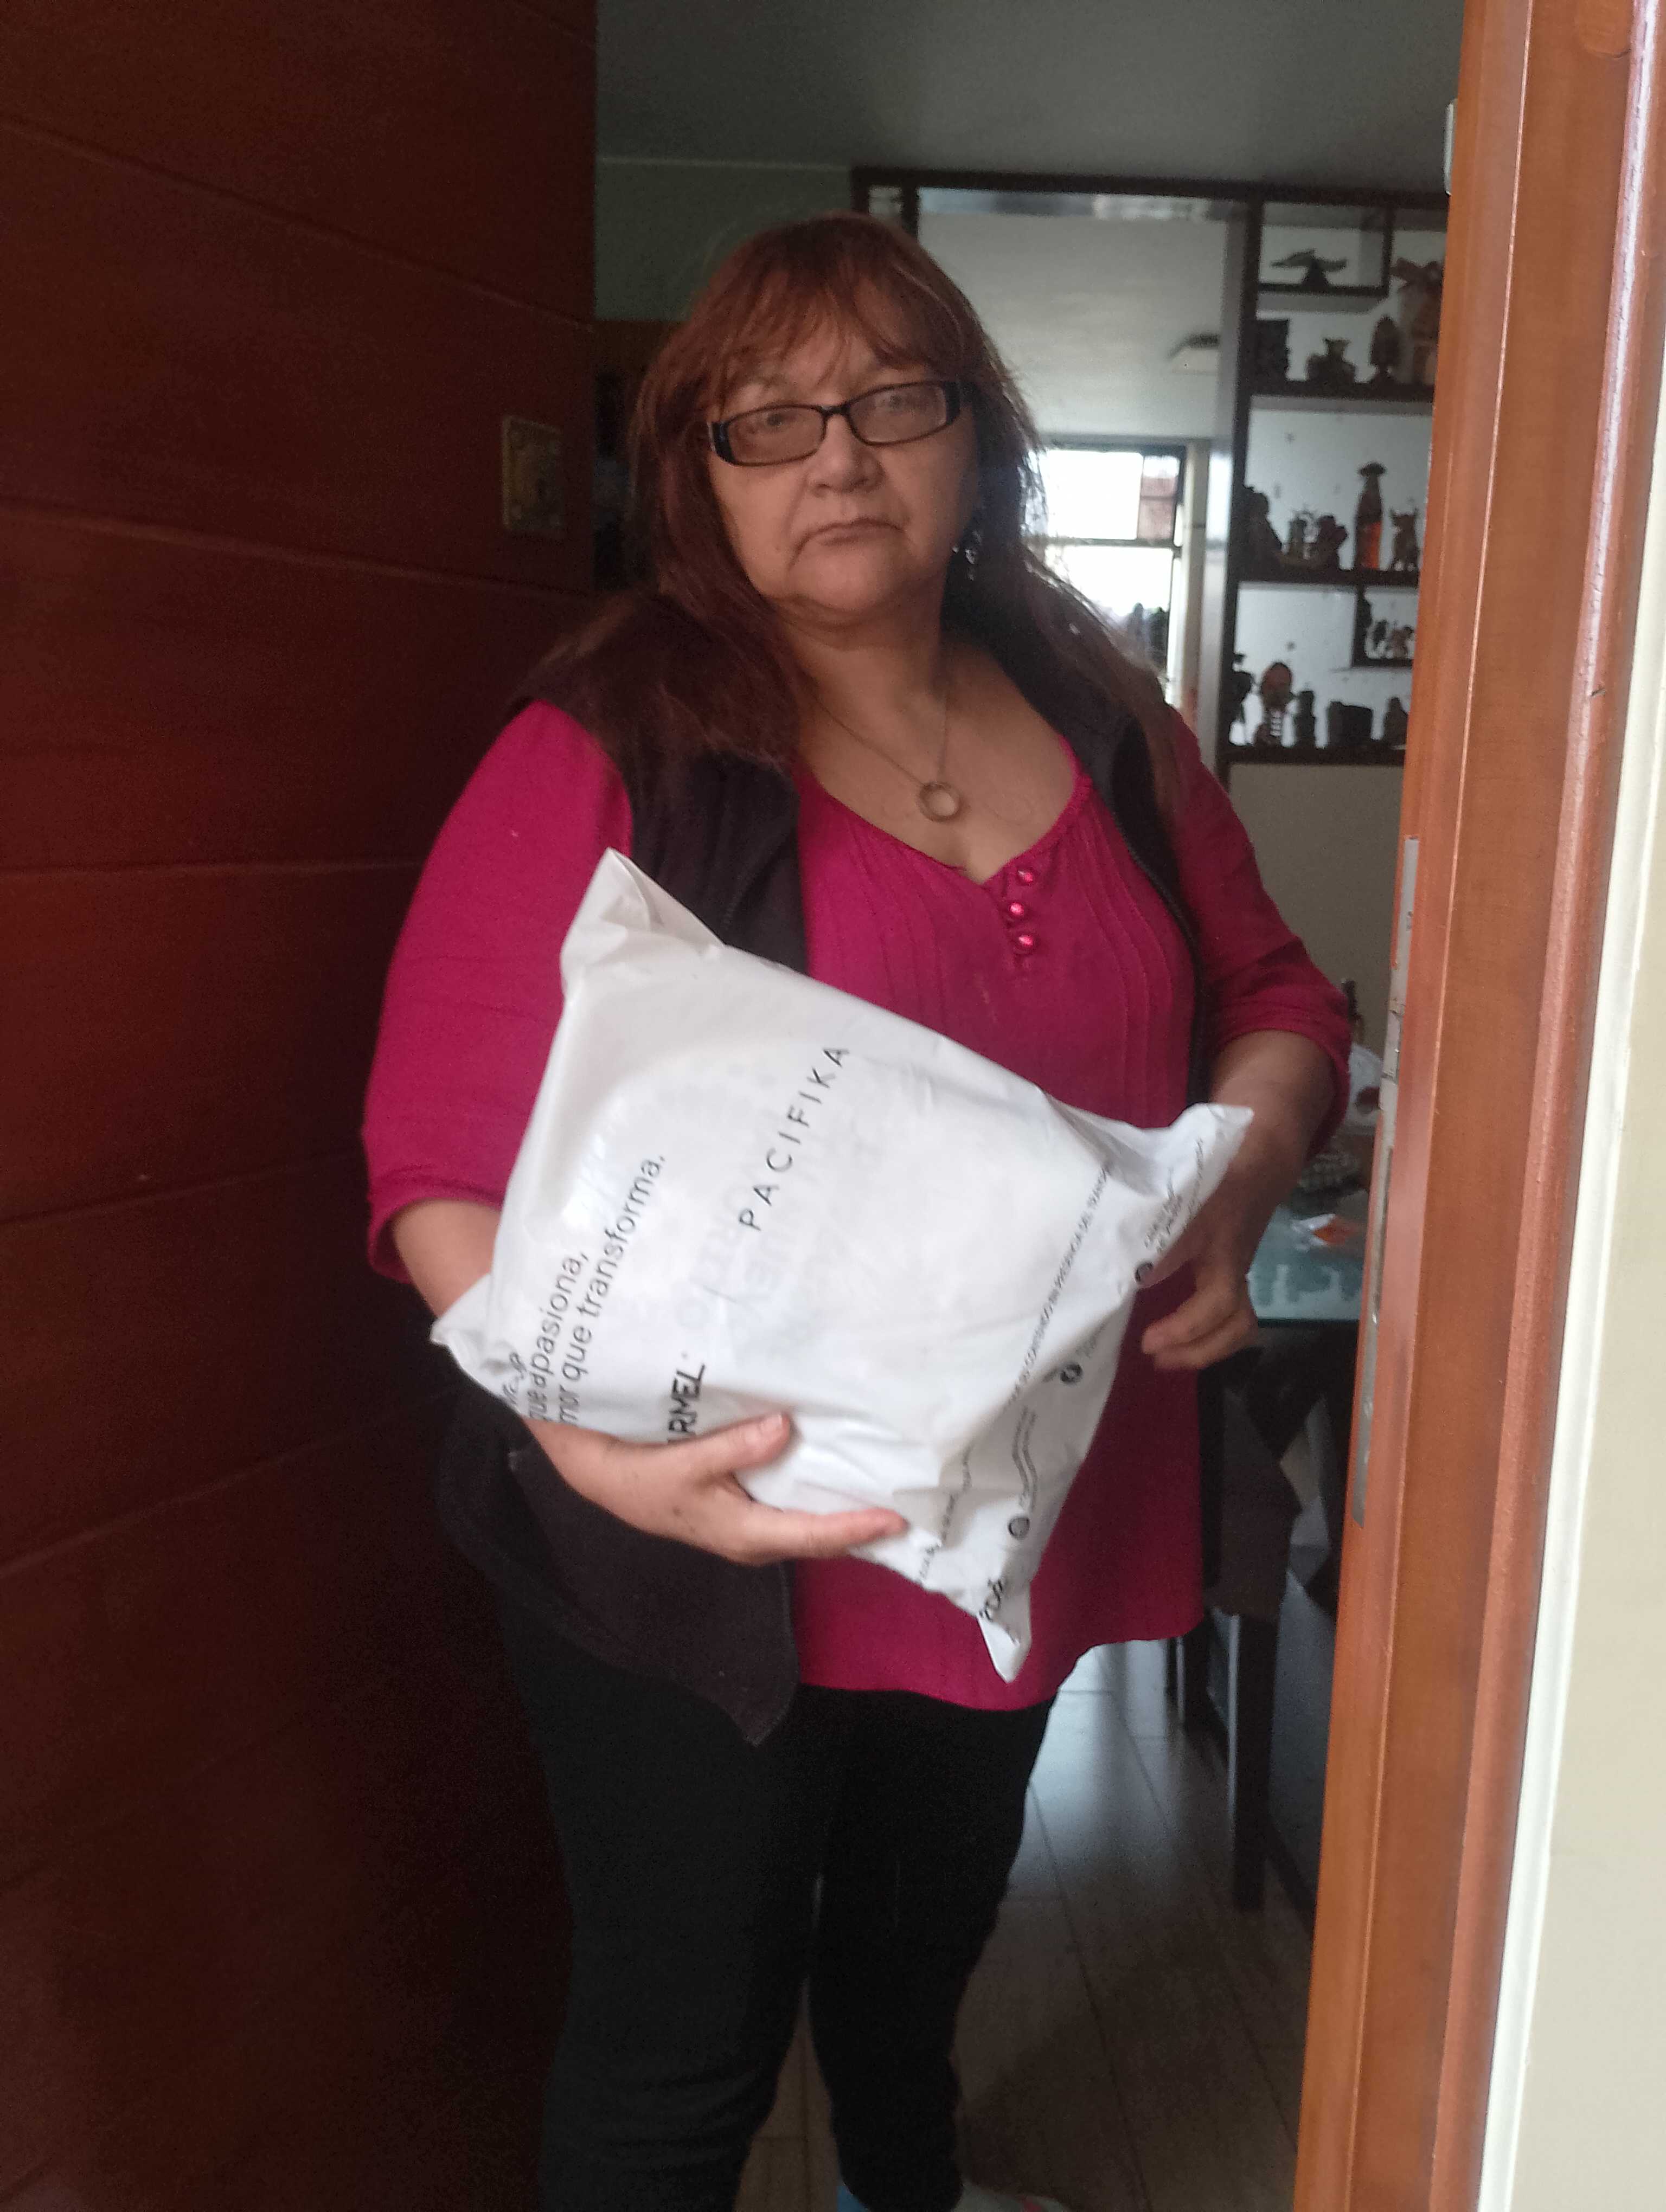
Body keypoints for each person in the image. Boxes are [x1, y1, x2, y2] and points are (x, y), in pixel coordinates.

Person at [363, 213, 1349, 2212]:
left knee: (919, 1953)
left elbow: (1277, 1000)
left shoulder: (1108, 719)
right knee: (684, 2045)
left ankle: (905, 2187)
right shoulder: (608, 744)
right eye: (770, 417)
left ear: (978, 440)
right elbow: (430, 1167)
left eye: (895, 402)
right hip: (708, 1529)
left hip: (1022, 1495)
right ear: (699, 473)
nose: (837, 456)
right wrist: (593, 1454)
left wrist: (1241, 1171)